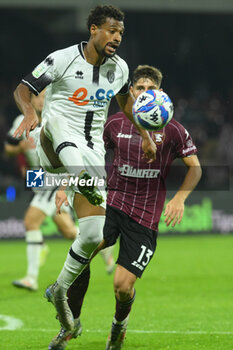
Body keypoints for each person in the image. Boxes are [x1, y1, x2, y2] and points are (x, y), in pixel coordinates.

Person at [12, 3, 156, 333]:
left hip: (90, 157)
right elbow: (23, 89)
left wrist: (146, 137)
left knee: (91, 235)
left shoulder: (119, 68)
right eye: (111, 30)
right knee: (59, 120)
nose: (117, 37)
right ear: (93, 29)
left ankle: (59, 289)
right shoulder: (61, 59)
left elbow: (127, 104)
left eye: (120, 32)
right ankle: (78, 177)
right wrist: (29, 112)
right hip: (54, 139)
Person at [53, 64, 202, 350]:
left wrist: (180, 198)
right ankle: (72, 322)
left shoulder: (173, 130)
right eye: (139, 89)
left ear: (161, 93)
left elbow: (194, 168)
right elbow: (88, 156)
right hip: (112, 206)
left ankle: (118, 327)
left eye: (151, 89)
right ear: (130, 92)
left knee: (122, 286)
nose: (145, 93)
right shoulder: (114, 123)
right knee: (81, 254)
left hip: (144, 217)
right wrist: (65, 183)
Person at [5, 91, 78, 291]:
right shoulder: (22, 120)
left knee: (31, 221)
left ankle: (31, 277)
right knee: (69, 230)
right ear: (31, 99)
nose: (40, 100)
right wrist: (19, 148)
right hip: (36, 176)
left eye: (44, 96)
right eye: (36, 96)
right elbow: (8, 148)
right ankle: (96, 239)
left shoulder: (57, 119)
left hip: (55, 176)